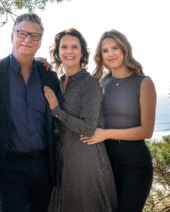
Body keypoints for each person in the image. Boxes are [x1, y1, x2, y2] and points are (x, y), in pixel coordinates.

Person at [0, 13, 62, 212]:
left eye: (34, 36)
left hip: (45, 165)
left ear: (39, 42)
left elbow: (58, 118)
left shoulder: (49, 75)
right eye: (22, 34)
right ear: (12, 37)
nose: (27, 39)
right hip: (10, 166)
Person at [81, 29, 157, 212]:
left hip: (135, 165)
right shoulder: (100, 83)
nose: (110, 54)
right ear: (101, 56)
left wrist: (105, 134)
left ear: (124, 49)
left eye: (115, 48)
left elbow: (147, 131)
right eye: (105, 51)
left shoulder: (143, 83)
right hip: (106, 164)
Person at [43, 28, 118, 212]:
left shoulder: (90, 83)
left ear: (82, 52)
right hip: (64, 161)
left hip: (87, 161)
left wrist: (56, 110)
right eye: (64, 47)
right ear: (58, 52)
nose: (69, 51)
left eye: (74, 47)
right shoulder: (59, 82)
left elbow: (88, 128)